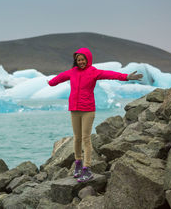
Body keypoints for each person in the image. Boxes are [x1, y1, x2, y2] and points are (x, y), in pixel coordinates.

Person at [47, 48, 143, 182]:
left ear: (88, 59)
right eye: (78, 60)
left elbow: (110, 74)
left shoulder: (94, 72)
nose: (80, 62)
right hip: (75, 110)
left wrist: (126, 77)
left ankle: (87, 169)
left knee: (86, 138)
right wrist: (51, 82)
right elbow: (59, 78)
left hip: (88, 110)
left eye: (83, 59)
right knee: (77, 138)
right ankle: (78, 165)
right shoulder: (72, 72)